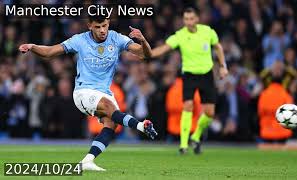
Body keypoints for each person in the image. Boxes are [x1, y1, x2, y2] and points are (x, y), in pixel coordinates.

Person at [18, 13, 157, 171]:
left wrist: (143, 40)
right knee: (109, 107)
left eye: (104, 25)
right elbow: (49, 52)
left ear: (108, 23)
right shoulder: (79, 40)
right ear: (89, 25)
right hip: (83, 92)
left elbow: (147, 54)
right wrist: (32, 47)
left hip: (104, 91)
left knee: (111, 124)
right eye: (97, 27)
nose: (102, 30)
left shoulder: (117, 39)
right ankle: (140, 125)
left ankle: (87, 161)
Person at [150, 7, 228, 154]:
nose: (189, 22)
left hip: (206, 74)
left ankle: (196, 136)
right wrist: (149, 53)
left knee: (210, 113)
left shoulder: (208, 31)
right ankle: (183, 145)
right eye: (186, 19)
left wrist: (223, 66)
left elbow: (218, 47)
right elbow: (164, 48)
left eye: (191, 19)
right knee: (188, 105)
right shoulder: (180, 35)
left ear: (197, 19)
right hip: (189, 75)